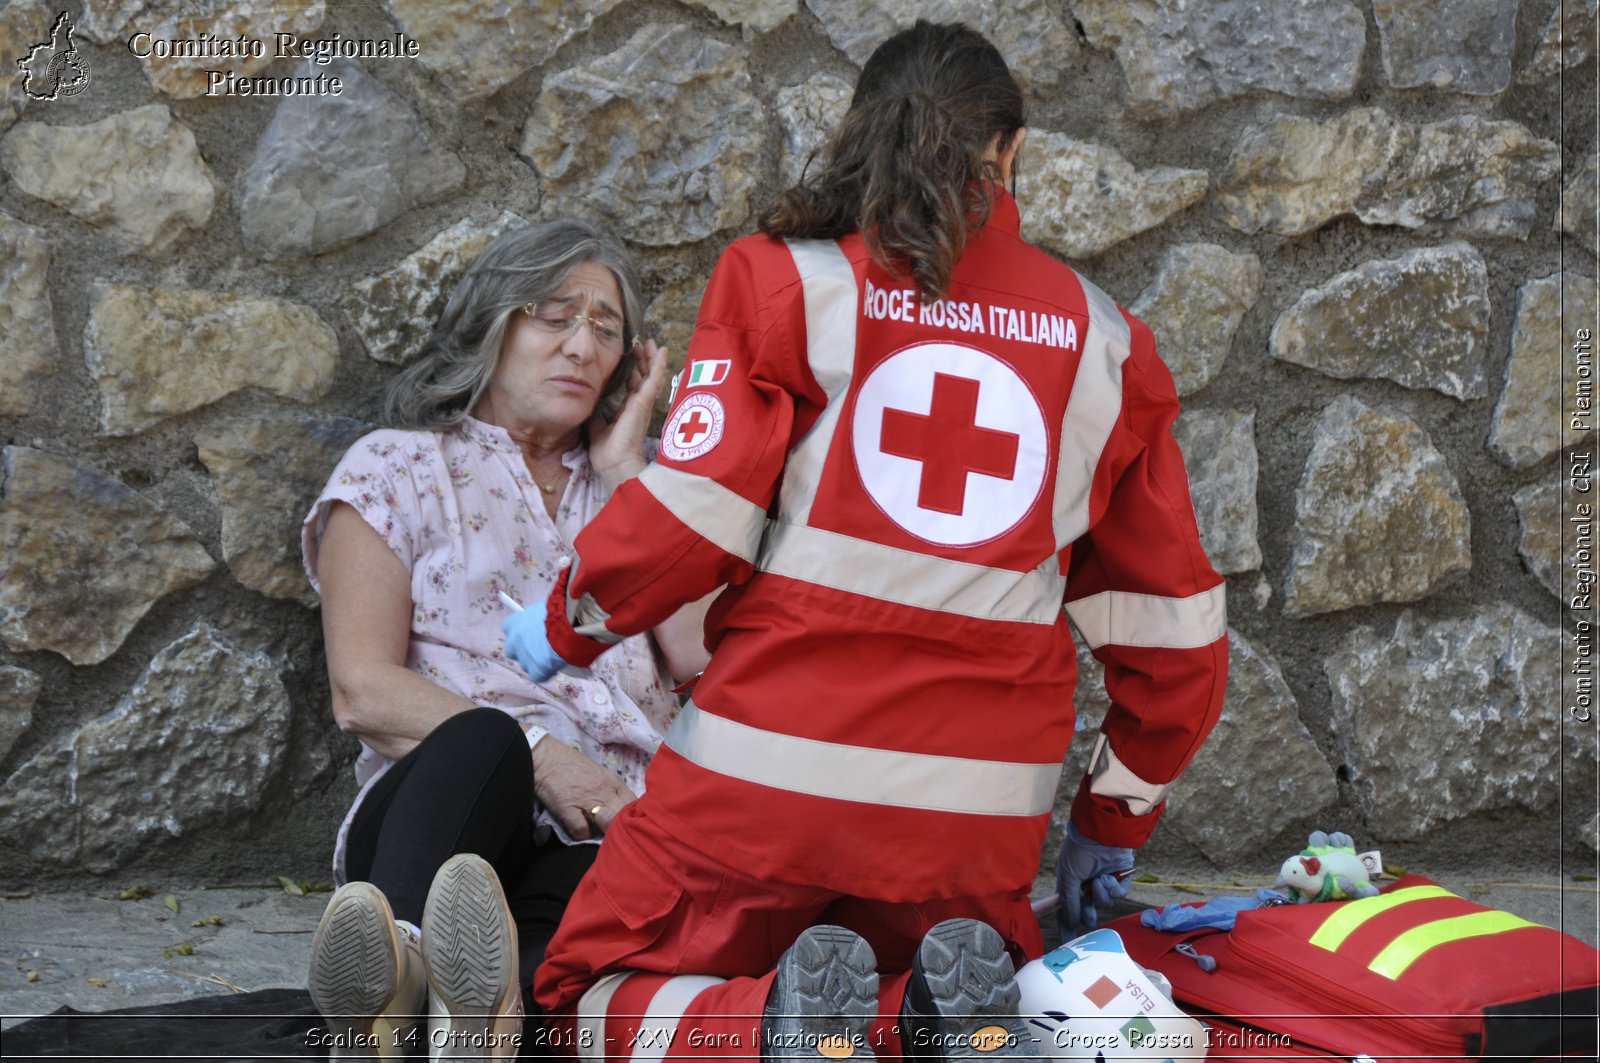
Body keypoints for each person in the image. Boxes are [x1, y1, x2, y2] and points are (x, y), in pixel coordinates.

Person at [506, 21, 1228, 1062]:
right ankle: (913, 1021)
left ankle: (762, 1029)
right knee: (923, 978)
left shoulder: (784, 281)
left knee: (579, 993)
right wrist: (1112, 818)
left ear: (859, 136)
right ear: (1010, 154)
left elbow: (693, 511)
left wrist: (564, 624)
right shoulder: (1108, 344)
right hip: (971, 822)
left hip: (765, 787)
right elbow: (1172, 633)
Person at [300, 218, 711, 1060]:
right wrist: (545, 757)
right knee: (485, 739)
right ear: (495, 323)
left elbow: (700, 652)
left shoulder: (648, 490)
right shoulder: (397, 468)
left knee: (584, 911)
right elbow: (361, 690)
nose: (583, 345)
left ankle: (476, 1021)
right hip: (450, 805)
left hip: (613, 825)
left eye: (606, 328)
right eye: (555, 315)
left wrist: (631, 469)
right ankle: (400, 973)